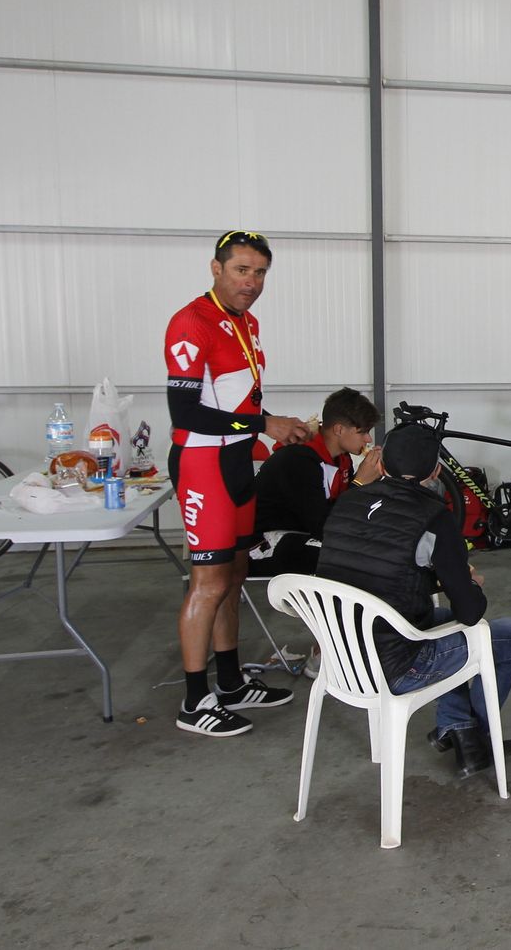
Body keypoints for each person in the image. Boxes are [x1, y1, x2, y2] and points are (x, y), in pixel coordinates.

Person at [317, 424, 511, 779]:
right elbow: (471, 612)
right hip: (397, 667)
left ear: (381, 467)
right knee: (510, 635)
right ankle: (476, 737)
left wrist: (436, 575)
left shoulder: (348, 500)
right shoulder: (434, 518)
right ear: (435, 472)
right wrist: (467, 580)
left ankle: (457, 727)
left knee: (441, 618)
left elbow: (381, 567)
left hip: (342, 658)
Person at [166, 229, 314, 737]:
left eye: (260, 272)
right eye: (241, 270)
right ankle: (193, 700)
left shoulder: (246, 323)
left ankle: (229, 683)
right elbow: (185, 411)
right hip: (202, 467)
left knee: (234, 575)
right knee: (207, 583)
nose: (252, 282)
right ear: (216, 268)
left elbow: (236, 404)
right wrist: (261, 426)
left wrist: (275, 421)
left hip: (236, 466)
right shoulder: (191, 323)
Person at [249, 387, 383, 578]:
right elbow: (324, 527)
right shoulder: (298, 460)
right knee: (349, 557)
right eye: (363, 432)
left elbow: (344, 517)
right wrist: (359, 484)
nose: (368, 439)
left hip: (303, 536)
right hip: (262, 545)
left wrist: (372, 482)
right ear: (339, 429)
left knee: (378, 547)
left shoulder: (342, 459)